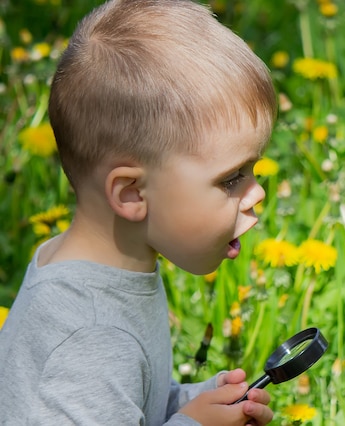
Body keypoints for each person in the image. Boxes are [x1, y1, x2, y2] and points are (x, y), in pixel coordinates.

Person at [0, 0, 277, 424]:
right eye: (231, 178)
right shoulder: (89, 335)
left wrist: (192, 402)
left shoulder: (109, 272)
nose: (256, 192)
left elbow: (128, 396)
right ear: (131, 194)